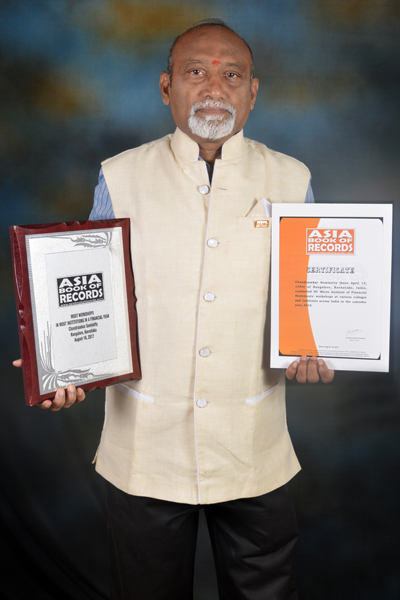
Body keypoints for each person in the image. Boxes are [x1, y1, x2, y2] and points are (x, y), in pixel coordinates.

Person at [14, 18, 334, 600]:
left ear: (253, 92)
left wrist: (317, 345)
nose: (215, 88)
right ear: (167, 88)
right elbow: (88, 294)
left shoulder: (292, 179)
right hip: (144, 452)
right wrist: (62, 365)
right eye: (196, 73)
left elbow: (313, 298)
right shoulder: (120, 176)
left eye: (231, 75)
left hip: (254, 447)